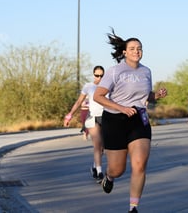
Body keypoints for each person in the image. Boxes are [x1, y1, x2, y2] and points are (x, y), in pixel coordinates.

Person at [93, 30, 167, 213]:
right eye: (132, 48)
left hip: (138, 119)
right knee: (118, 169)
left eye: (139, 48)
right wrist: (121, 108)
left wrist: (156, 95)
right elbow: (98, 96)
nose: (136, 51)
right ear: (124, 52)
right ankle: (109, 177)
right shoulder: (115, 71)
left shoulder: (146, 71)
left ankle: (133, 207)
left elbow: (145, 96)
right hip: (115, 120)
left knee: (140, 164)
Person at [64, 66, 106, 183]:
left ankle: (94, 166)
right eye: (97, 75)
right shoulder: (88, 87)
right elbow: (79, 101)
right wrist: (69, 115)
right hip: (93, 118)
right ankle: (99, 172)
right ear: (93, 75)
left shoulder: (108, 86)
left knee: (102, 148)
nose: (99, 78)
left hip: (106, 118)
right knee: (97, 144)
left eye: (102, 75)